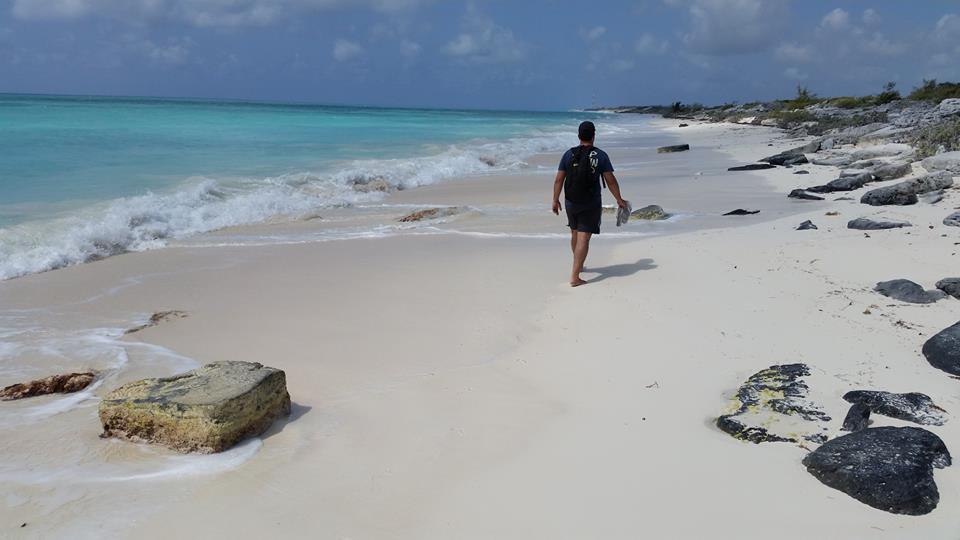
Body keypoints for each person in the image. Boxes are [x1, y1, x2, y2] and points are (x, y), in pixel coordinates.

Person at [552, 120, 627, 287]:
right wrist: (619, 199)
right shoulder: (600, 155)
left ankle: (578, 265)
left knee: (574, 233)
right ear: (593, 136)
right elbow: (610, 180)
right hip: (590, 202)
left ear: (579, 136)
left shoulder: (568, 154)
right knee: (584, 238)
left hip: (570, 201)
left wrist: (555, 200)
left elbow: (558, 180)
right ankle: (575, 276)